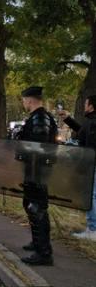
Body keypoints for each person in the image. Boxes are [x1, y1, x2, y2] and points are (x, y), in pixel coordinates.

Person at [17, 86, 58, 266]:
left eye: (24, 100)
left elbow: (38, 149)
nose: (23, 103)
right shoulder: (40, 117)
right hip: (34, 170)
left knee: (37, 208)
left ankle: (44, 253)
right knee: (31, 205)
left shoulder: (40, 118)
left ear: (30, 100)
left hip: (37, 171)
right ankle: (37, 243)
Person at [60, 94, 96, 241]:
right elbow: (82, 131)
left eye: (86, 104)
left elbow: (90, 144)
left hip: (92, 165)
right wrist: (67, 119)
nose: (84, 106)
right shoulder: (91, 121)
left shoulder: (93, 122)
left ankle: (93, 229)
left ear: (91, 106)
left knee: (91, 196)